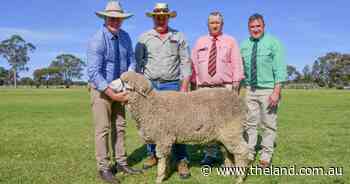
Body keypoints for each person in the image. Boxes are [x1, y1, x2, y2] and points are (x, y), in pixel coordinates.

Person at [135, 3, 192, 179]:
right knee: (150, 123)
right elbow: (139, 63)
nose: (160, 19)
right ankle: (153, 155)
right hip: (150, 85)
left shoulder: (179, 36)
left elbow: (185, 62)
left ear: (169, 17)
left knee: (178, 124)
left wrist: (184, 86)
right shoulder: (144, 37)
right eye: (157, 16)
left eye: (163, 16)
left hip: (172, 85)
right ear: (153, 18)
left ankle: (182, 160)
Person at [87, 1, 142, 183]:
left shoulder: (126, 37)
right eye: (111, 18)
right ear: (105, 18)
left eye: (118, 19)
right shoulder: (97, 39)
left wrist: (126, 80)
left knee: (119, 127)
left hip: (121, 88)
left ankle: (121, 163)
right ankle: (103, 168)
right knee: (103, 129)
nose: (115, 22)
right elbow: (94, 72)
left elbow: (132, 61)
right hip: (101, 90)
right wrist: (112, 93)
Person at [191, 11, 244, 166]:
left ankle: (229, 157)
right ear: (208, 25)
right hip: (203, 89)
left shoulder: (231, 41)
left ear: (222, 24)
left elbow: (237, 65)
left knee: (226, 124)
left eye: (217, 22)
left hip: (224, 89)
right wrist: (193, 86)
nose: (215, 25)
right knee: (207, 125)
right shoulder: (200, 41)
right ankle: (210, 155)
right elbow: (193, 65)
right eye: (212, 22)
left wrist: (235, 89)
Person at [240, 13, 287, 168]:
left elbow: (280, 68)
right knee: (249, 124)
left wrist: (276, 91)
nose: (255, 29)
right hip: (249, 90)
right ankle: (249, 152)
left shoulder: (274, 43)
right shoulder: (243, 45)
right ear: (248, 28)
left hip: (268, 90)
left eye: (258, 26)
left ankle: (266, 155)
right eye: (252, 27)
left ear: (264, 26)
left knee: (268, 124)